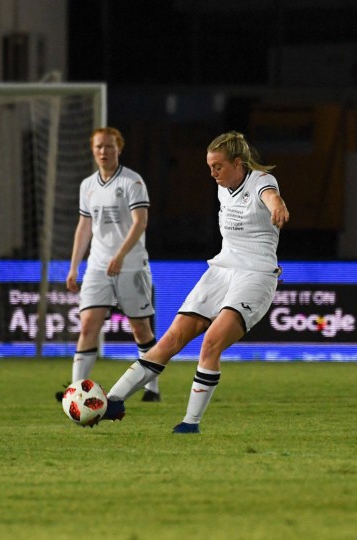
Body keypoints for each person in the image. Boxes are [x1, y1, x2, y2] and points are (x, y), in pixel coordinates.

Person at [94, 130, 290, 433]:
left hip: (256, 275)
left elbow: (271, 196)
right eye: (210, 167)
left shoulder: (261, 181)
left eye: (218, 167)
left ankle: (190, 423)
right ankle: (113, 401)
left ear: (238, 163)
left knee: (211, 343)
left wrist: (277, 206)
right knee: (171, 340)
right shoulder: (223, 188)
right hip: (221, 271)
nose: (212, 173)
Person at [56, 127, 160, 402]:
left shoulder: (132, 182)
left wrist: (120, 255)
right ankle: (76, 391)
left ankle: (152, 387)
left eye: (109, 147)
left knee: (140, 328)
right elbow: (84, 226)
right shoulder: (87, 185)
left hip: (131, 265)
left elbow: (140, 222)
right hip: (98, 266)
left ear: (119, 149)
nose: (103, 151)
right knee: (88, 324)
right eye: (99, 147)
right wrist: (74, 266)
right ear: (93, 150)